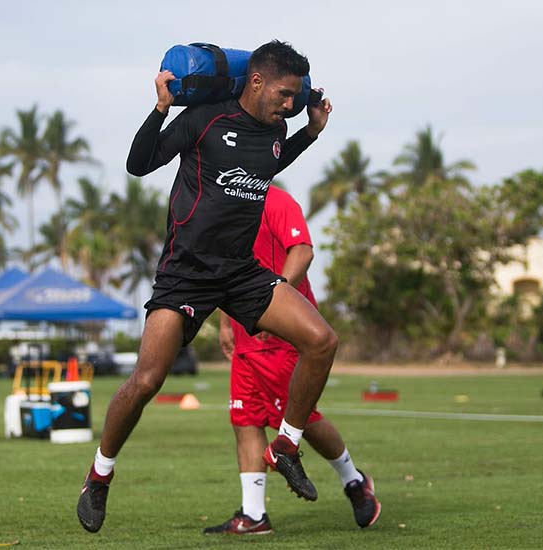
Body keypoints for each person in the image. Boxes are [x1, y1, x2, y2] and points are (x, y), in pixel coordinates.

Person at [77, 40, 336, 533]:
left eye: (295, 96)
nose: (290, 104)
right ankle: (99, 475)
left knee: (322, 341)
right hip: (186, 272)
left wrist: (310, 132)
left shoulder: (277, 130)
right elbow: (139, 164)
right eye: (283, 94)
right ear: (255, 82)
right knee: (147, 380)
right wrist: (159, 109)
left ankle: (285, 445)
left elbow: (267, 165)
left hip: (241, 272)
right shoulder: (205, 120)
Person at [203, 185, 380, 535]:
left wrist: (273, 306)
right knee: (245, 419)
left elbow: (302, 252)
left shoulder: (276, 200)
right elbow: (227, 270)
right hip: (245, 335)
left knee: (302, 418)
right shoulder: (224, 208)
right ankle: (253, 515)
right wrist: (224, 322)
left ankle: (355, 482)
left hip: (284, 333)